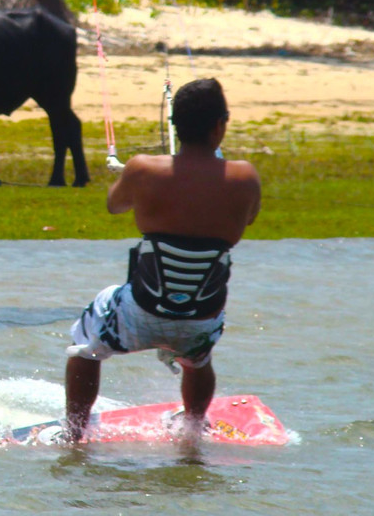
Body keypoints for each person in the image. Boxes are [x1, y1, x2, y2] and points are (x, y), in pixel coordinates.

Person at [64, 77, 261, 443]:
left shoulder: (143, 168)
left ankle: (74, 435)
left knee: (86, 344)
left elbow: (114, 205)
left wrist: (140, 179)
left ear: (175, 125)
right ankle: (192, 429)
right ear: (220, 125)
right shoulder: (245, 177)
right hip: (201, 320)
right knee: (199, 359)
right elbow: (248, 218)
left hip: (141, 311)